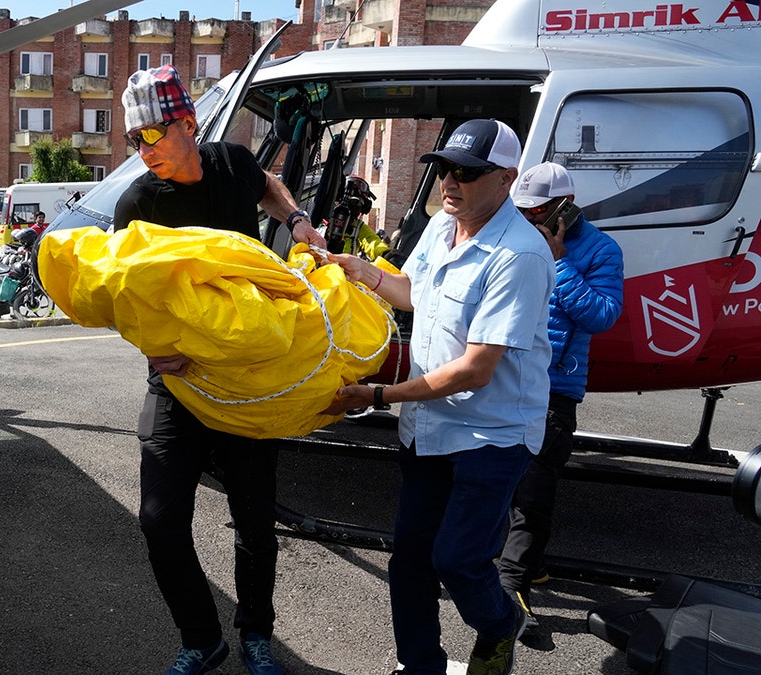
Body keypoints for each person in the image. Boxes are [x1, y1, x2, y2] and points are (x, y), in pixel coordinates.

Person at [112, 64, 326, 675]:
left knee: (255, 519)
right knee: (158, 519)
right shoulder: (138, 204)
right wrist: (149, 349)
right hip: (177, 379)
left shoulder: (231, 163)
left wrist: (297, 220)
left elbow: (269, 185)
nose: (142, 151)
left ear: (186, 124)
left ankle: (256, 633)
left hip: (247, 377)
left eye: (150, 136)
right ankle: (201, 637)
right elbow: (122, 295)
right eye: (134, 140)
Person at [323, 119, 554, 675]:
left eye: (467, 173)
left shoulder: (519, 254)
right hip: (429, 427)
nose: (451, 183)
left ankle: (501, 624)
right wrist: (361, 272)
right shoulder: (441, 226)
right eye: (445, 169)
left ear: (506, 179)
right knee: (410, 563)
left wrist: (379, 394)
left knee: (458, 559)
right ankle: (421, 665)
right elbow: (413, 293)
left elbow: (476, 369)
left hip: (491, 434)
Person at [497, 162, 624, 635]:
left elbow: (604, 315)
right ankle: (532, 564)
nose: (529, 220)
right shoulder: (518, 234)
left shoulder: (600, 250)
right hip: (509, 376)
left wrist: (561, 262)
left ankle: (510, 589)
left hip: (554, 388)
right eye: (524, 211)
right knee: (509, 478)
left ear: (565, 209)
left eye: (538, 212)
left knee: (534, 489)